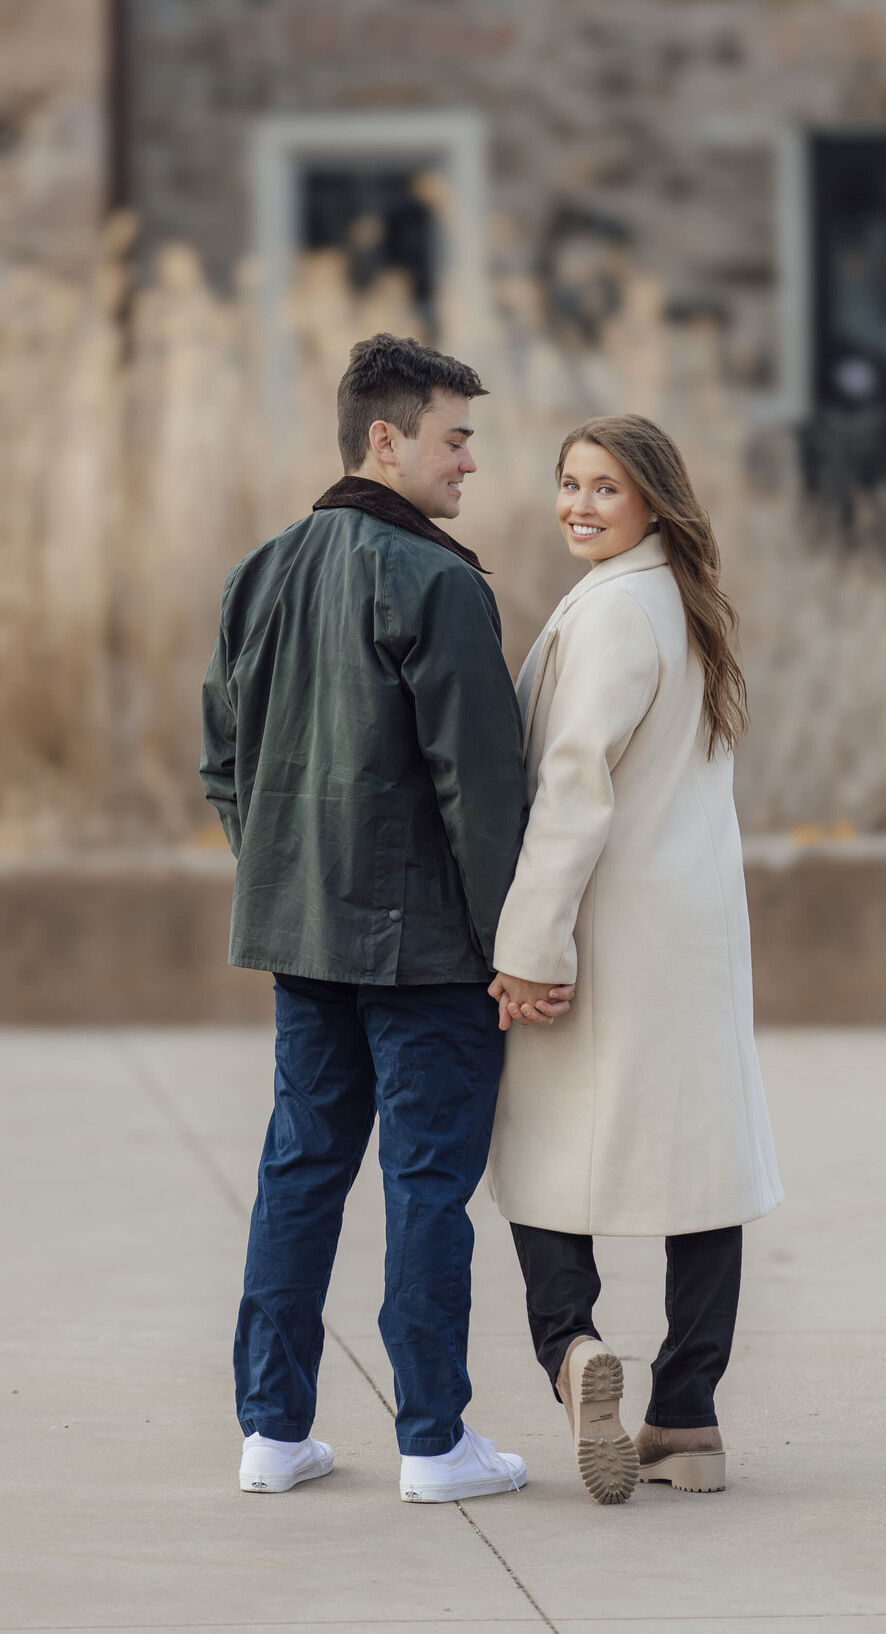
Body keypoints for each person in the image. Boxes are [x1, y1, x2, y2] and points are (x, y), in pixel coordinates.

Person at [200, 333, 571, 1502]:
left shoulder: (257, 570)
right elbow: (483, 785)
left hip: (302, 937)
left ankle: (271, 1434)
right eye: (454, 439)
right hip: (425, 951)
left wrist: (283, 869)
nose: (470, 463)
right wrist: (520, 946)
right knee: (424, 1188)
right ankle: (433, 1442)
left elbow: (223, 761)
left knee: (300, 1171)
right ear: (386, 439)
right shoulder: (439, 581)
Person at [485, 413, 783, 1506]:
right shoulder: (685, 604)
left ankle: (572, 1352)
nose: (579, 505)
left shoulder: (613, 612)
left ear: (654, 499)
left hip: (606, 930)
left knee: (542, 1160)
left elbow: (573, 794)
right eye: (568, 483)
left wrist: (529, 948)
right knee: (703, 1170)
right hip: (694, 928)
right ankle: (688, 1416)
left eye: (604, 488)